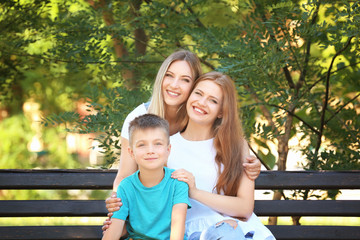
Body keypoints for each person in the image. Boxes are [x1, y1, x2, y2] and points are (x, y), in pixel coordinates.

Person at [168, 72, 275, 239]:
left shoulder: (236, 145)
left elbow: (244, 208)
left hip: (238, 229)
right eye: (198, 93)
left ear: (221, 112)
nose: (201, 103)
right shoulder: (166, 146)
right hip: (193, 232)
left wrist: (194, 192)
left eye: (213, 100)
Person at [102, 113, 191, 240]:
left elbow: (177, 234)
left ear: (168, 150)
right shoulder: (126, 187)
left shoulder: (178, 183)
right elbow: (113, 233)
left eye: (158, 144)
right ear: (131, 153)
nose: (150, 150)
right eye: (142, 145)